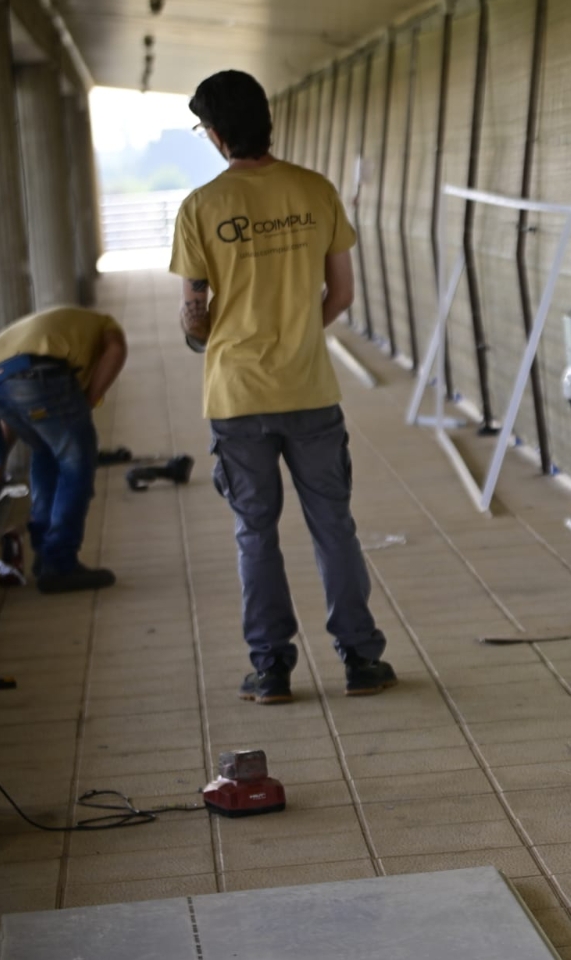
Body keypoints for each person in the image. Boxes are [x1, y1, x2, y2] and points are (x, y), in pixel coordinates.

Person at [171, 69, 395, 706]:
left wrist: (208, 332)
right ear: (267, 120)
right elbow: (342, 293)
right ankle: (361, 659)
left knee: (255, 533)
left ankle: (271, 670)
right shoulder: (315, 190)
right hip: (310, 390)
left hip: (236, 396)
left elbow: (195, 317)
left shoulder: (199, 208)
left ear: (215, 135)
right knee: (334, 525)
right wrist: (299, 330)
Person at [0, 307, 127, 593]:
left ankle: (45, 554)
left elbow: (1, 443)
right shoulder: (107, 326)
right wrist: (86, 404)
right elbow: (116, 350)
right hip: (37, 372)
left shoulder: (59, 329)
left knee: (45, 450)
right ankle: (60, 562)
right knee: (77, 460)